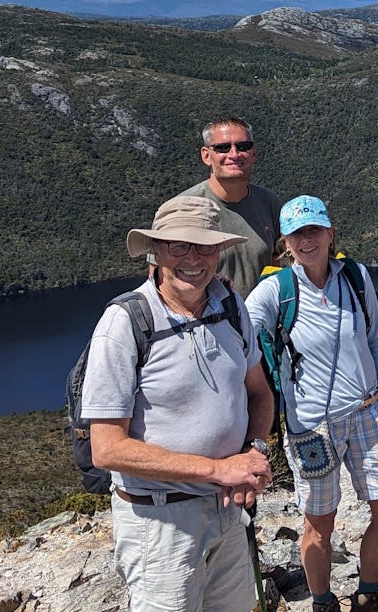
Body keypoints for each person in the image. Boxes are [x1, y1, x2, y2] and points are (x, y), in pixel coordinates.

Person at [81, 195, 274, 612]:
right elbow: (107, 448)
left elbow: (259, 392)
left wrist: (254, 452)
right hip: (160, 522)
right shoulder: (126, 323)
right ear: (157, 251)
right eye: (178, 246)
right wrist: (218, 469)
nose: (193, 259)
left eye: (204, 247)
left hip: (227, 510)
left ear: (219, 252)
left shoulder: (231, 307)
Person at [246, 196, 378, 612]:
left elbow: (373, 337)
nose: (308, 239)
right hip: (311, 428)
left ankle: (368, 592)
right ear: (286, 242)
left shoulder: (354, 277)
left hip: (367, 413)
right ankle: (322, 600)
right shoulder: (276, 292)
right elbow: (240, 333)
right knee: (321, 524)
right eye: (298, 233)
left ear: (331, 233)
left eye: (314, 230)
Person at [177, 117, 282, 297]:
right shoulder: (183, 208)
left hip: (264, 320)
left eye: (243, 146)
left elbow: (277, 262)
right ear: (206, 155)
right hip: (210, 321)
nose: (234, 154)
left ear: (253, 153)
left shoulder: (269, 203)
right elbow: (160, 275)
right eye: (222, 148)